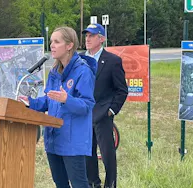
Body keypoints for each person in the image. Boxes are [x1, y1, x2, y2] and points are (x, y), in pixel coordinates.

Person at [28, 26, 97, 188]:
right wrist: (29, 102)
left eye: (57, 41)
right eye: (51, 41)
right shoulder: (54, 71)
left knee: (79, 184)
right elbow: (48, 101)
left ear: (69, 45)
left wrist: (67, 99)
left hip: (73, 142)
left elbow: (87, 106)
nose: (52, 45)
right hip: (53, 138)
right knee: (60, 183)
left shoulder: (83, 72)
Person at [82, 24, 128, 188]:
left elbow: (122, 90)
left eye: (92, 35)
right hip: (83, 114)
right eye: (86, 35)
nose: (87, 38)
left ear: (101, 39)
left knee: (107, 153)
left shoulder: (112, 61)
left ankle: (111, 184)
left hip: (103, 115)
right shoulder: (79, 60)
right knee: (87, 152)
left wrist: (111, 110)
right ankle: (93, 183)